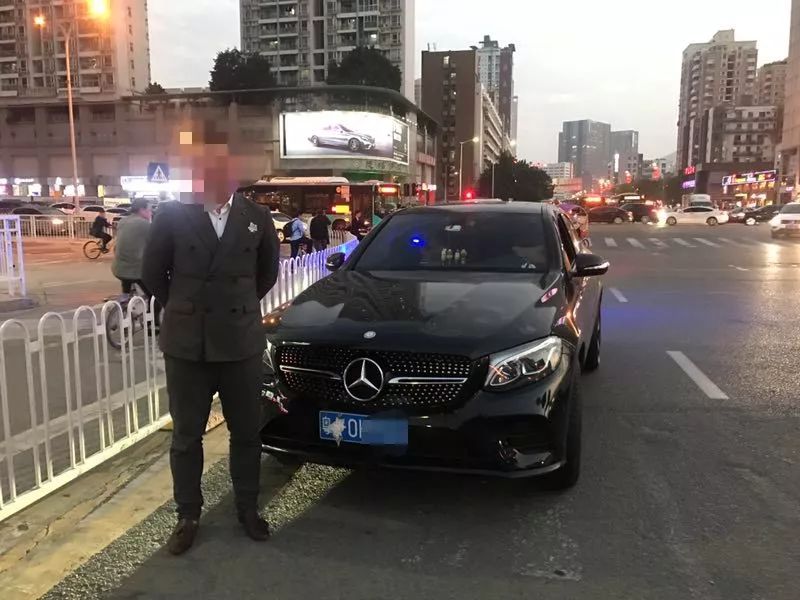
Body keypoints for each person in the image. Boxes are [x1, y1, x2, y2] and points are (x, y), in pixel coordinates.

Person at [142, 128, 280, 556]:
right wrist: (184, 306)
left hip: (240, 343)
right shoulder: (172, 215)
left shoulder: (257, 217)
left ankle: (247, 508)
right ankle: (188, 515)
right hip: (188, 345)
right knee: (186, 436)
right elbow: (152, 274)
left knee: (247, 433)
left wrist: (237, 306)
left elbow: (266, 275)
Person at [111, 199, 162, 326]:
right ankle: (152, 325)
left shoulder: (122, 221)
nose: (151, 212)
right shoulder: (145, 225)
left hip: (118, 268)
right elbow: (157, 246)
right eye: (149, 210)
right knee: (156, 297)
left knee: (127, 281)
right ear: (142, 210)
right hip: (136, 271)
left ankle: (124, 298)